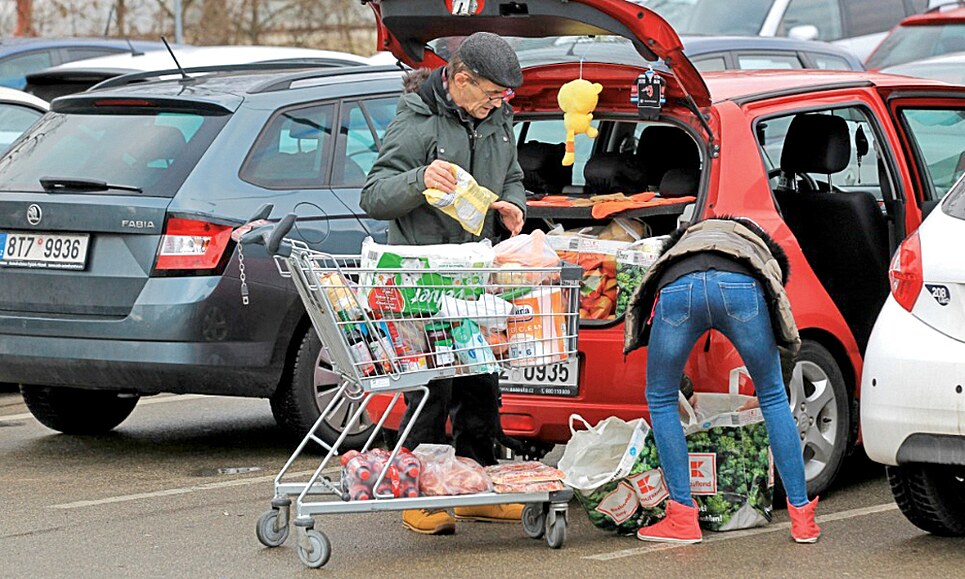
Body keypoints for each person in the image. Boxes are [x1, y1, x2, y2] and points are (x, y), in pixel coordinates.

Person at [360, 32, 526, 536]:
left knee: (480, 384)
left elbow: (512, 175)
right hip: (422, 281)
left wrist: (513, 203)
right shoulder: (417, 119)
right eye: (491, 93)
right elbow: (374, 196)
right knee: (430, 389)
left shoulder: (496, 119)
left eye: (503, 97)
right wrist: (419, 180)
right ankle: (420, 492)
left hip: (475, 275)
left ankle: (474, 485)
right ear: (459, 78)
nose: (498, 104)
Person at [623, 216, 821, 544]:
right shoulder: (762, 256)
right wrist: (769, 388)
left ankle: (682, 518)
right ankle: (802, 519)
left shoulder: (681, 244)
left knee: (661, 398)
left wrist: (684, 389)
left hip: (679, 284)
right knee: (774, 398)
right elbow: (782, 329)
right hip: (741, 287)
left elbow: (652, 316)